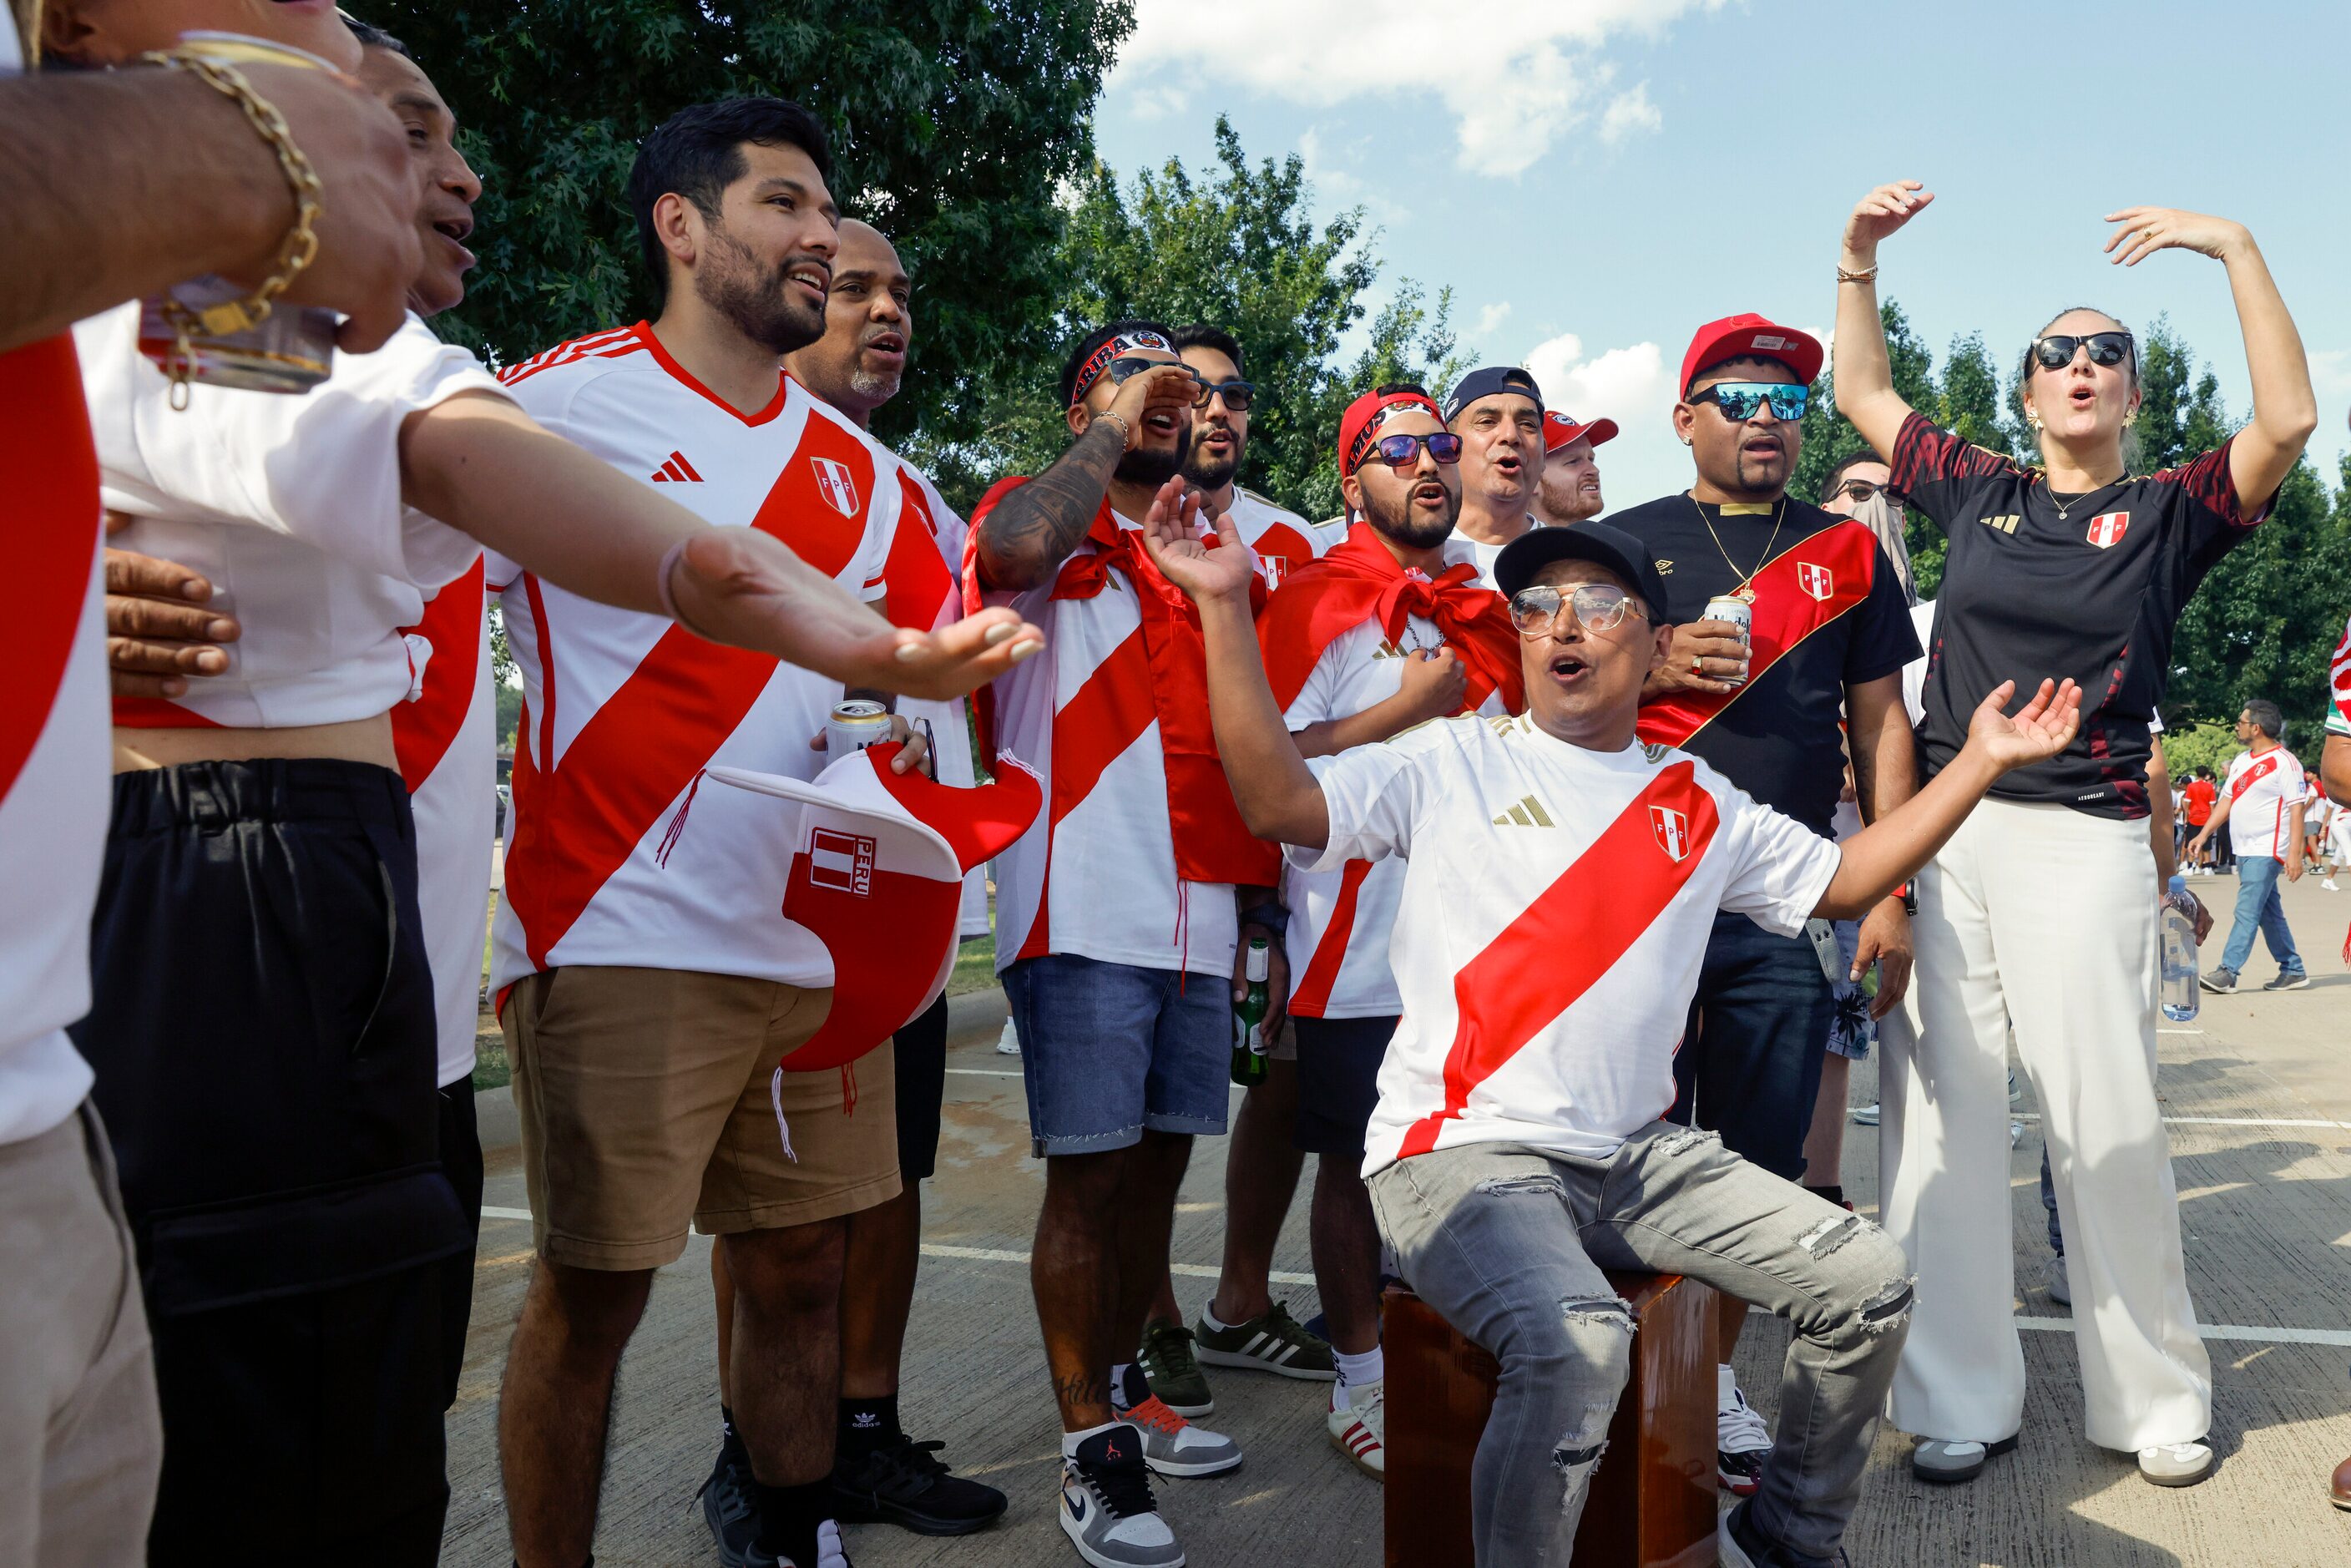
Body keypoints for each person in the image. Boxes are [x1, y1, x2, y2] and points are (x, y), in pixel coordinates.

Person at [1138, 485, 2084, 1568]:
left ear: (1657, 643)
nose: (1563, 624)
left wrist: (1981, 761)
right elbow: (1278, 804)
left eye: (1599, 602)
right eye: (1539, 605)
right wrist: (1219, 609)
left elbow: (1848, 874)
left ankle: (1786, 1534)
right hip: (1456, 1162)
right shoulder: (1452, 758)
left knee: (1867, 1280)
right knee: (1582, 1340)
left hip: (1634, 1165)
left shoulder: (1694, 799)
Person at [485, 99, 1036, 1568]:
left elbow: (948, 639)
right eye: (785, 205)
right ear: (681, 225)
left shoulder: (868, 472)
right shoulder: (552, 401)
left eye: (826, 208)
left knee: (801, 1263)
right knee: (592, 1295)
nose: (819, 235)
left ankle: (793, 1539)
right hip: (618, 923)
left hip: (815, 934)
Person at [0, 8, 425, 1562]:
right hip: (212, 889)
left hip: (49, 1100)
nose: (321, 29)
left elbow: (441, 427)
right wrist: (221, 150)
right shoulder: (162, 183)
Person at [1836, 178, 2317, 1488]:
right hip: (1949, 834)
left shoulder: (2169, 512)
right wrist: (1859, 259)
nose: (2083, 365)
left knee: (2105, 1122)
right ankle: (1956, 1396)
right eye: (2058, 352)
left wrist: (2232, 242)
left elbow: (2289, 416)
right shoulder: (1975, 487)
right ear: (2029, 393)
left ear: (2135, 395)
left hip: (2089, 834)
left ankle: (2154, 1399)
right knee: (1940, 1124)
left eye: (2110, 351)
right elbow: (1861, 392)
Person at [95, 18, 502, 1429]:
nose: (452, 174)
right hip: (218, 956)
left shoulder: (414, 372)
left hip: (402, 1012)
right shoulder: (188, 308)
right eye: (401, 128)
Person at [690, 217, 1009, 1554]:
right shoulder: (709, 449)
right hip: (753, 887)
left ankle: (862, 1431)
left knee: (885, 1179)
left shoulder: (915, 493)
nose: (888, 312)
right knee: (777, 1212)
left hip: (895, 895)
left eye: (902, 292)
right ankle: (752, 1457)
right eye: (858, 286)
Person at [966, 320, 1266, 1568]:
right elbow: (1009, 551)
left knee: (1156, 1170)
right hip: (1078, 899)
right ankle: (1090, 1451)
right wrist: (1113, 422)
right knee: (1087, 1178)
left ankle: (1132, 1384)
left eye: (1186, 387)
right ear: (1087, 403)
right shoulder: (1042, 512)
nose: (1171, 400)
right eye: (1138, 381)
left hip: (1196, 902)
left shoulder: (1202, 540)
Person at [1609, 312, 1922, 1495]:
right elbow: (1542, 689)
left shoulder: (1848, 557)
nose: (1766, 422)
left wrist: (1885, 892)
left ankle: (1712, 1382)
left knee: (1753, 1167)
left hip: (1781, 904)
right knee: (1611, 1145)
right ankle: (1609, 1364)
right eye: (1738, 399)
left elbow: (1882, 722)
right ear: (1684, 417)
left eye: (1789, 404)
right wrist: (1647, 659)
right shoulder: (1618, 542)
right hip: (1630, 902)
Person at [1249, 383, 1524, 1479]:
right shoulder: (1310, 597)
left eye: (1440, 446)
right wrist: (1401, 710)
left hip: (1482, 952)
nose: (1428, 464)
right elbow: (1262, 760)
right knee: (1356, 1172)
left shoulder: (1487, 597)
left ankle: (1461, 1357)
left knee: (1477, 1170)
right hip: (1355, 944)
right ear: (1352, 473)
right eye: (1399, 448)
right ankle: (1358, 1378)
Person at [1134, 321, 1339, 1422]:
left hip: (1270, 860)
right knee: (1155, 1118)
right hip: (1147, 865)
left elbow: (1305, 704)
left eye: (1235, 392)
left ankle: (1242, 1297)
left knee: (1289, 1082)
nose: (1218, 410)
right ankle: (1153, 1314)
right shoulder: (1111, 525)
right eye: (1191, 393)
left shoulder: (1294, 542)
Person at [2188, 699, 2311, 993]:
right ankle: (2293, 969)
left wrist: (2295, 855)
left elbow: (2297, 809)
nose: (2237, 727)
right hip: (2244, 850)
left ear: (2256, 728)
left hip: (2267, 850)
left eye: (2241, 722)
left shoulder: (2286, 762)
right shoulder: (2243, 761)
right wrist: (2204, 834)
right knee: (2269, 913)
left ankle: (2228, 971)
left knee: (2246, 911)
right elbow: (2227, 801)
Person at [1442, 365, 1545, 580]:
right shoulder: (1409, 556)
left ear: (1544, 452)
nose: (1510, 435)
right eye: (1487, 422)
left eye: (1527, 424)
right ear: (1449, 448)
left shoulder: (1576, 560)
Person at [1530, 408, 1616, 527]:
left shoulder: (1612, 542)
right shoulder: (1503, 544)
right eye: (1573, 461)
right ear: (1531, 480)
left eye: (1591, 459)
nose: (1594, 470)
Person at [2182, 766, 2218, 873]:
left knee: (2191, 843)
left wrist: (2186, 817)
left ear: (2196, 773)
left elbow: (2187, 803)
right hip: (2206, 819)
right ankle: (2207, 867)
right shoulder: (2209, 787)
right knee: (2206, 844)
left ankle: (2190, 867)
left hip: (2193, 818)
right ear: (2206, 774)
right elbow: (2212, 805)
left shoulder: (2191, 787)